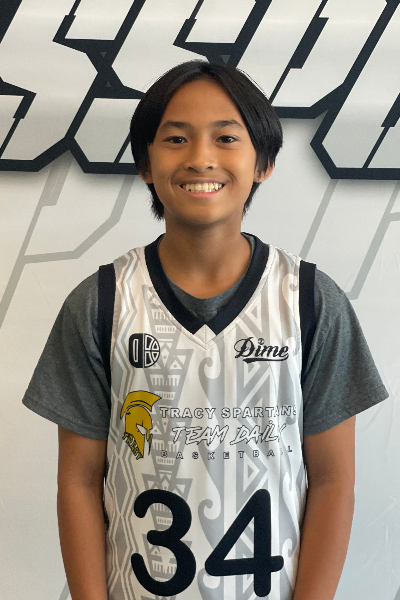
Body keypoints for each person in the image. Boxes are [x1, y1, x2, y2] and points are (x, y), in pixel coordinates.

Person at [22, 60, 388, 600]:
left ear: (263, 162)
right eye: (176, 138)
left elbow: (333, 480)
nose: (200, 157)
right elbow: (78, 481)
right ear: (145, 164)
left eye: (226, 137)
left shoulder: (309, 300)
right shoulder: (102, 302)